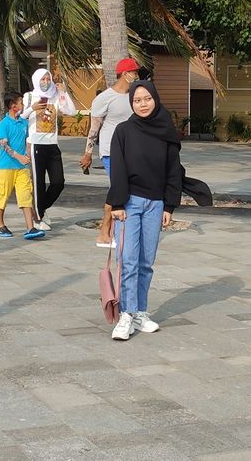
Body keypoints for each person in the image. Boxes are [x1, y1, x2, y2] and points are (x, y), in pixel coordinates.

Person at [106, 80, 183, 341]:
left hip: (156, 205)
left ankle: (140, 311)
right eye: (137, 100)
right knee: (127, 260)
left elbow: (174, 170)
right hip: (129, 204)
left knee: (145, 263)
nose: (142, 104)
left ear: (155, 99)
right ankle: (125, 315)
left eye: (146, 98)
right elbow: (117, 167)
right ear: (131, 103)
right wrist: (117, 204)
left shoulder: (166, 132)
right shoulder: (124, 131)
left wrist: (169, 205)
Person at [80, 58, 139, 248]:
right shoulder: (104, 98)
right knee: (117, 189)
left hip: (131, 151)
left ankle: (118, 231)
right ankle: (104, 234)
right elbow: (94, 129)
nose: (136, 75)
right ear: (124, 74)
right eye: (134, 72)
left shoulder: (135, 96)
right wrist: (88, 153)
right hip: (110, 151)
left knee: (127, 190)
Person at [21, 68, 77, 231]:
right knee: (38, 183)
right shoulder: (29, 96)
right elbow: (21, 116)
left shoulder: (55, 97)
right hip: (36, 145)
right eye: (42, 80)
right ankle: (38, 219)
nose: (45, 82)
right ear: (36, 80)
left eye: (47, 79)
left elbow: (71, 111)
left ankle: (40, 209)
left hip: (53, 145)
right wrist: (33, 107)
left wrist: (63, 93)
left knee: (58, 182)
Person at [0, 91, 45, 241]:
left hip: (22, 167)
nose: (23, 105)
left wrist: (28, 155)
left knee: (25, 195)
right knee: (3, 195)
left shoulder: (24, 122)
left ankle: (30, 228)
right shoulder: (3, 124)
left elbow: (28, 140)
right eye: (21, 102)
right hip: (7, 166)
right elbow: (4, 145)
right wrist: (19, 157)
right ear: (12, 106)